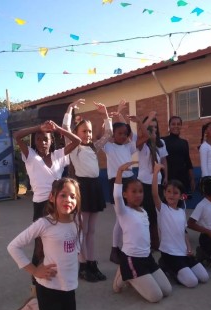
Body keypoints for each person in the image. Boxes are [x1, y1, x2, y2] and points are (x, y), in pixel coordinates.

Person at [13, 120, 81, 289]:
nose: (42, 142)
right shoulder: (30, 156)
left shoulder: (59, 155)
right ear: (34, 142)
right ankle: (36, 283)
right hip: (41, 206)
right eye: (38, 139)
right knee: (39, 245)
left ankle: (58, 276)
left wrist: (58, 129)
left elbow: (77, 141)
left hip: (59, 203)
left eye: (46, 139)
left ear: (51, 141)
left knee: (57, 242)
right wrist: (39, 128)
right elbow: (17, 136)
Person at [7, 178, 82, 310]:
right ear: (52, 197)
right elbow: (13, 246)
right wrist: (34, 271)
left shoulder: (77, 221)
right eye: (63, 195)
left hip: (69, 288)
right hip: (49, 289)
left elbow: (77, 247)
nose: (68, 200)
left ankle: (32, 308)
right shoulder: (44, 223)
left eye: (73, 196)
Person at [63, 99, 111, 282]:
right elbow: (65, 130)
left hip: (95, 187)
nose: (88, 134)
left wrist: (105, 114)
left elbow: (108, 133)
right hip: (81, 188)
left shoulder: (93, 147)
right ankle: (81, 265)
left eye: (90, 131)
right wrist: (69, 109)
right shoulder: (74, 147)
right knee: (81, 230)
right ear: (76, 133)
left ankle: (91, 263)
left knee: (91, 230)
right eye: (84, 131)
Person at [112, 161, 172, 302]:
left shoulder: (143, 211)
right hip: (132, 259)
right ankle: (123, 272)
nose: (138, 195)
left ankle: (131, 274)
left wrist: (156, 172)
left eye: (140, 191)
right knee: (156, 297)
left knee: (167, 291)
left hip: (147, 257)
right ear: (125, 194)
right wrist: (120, 171)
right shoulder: (123, 211)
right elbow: (117, 196)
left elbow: (153, 192)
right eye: (134, 192)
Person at [103, 100, 148, 264]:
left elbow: (146, 136)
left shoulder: (128, 147)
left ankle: (128, 246)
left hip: (131, 179)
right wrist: (108, 116)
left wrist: (139, 123)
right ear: (113, 134)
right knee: (120, 218)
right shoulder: (108, 146)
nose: (123, 136)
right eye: (119, 133)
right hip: (116, 181)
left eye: (125, 133)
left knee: (129, 216)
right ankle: (115, 249)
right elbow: (104, 135)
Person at [152, 162, 209, 288]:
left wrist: (189, 249)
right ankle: (167, 266)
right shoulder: (162, 209)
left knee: (204, 277)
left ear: (182, 196)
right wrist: (156, 172)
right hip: (170, 254)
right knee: (192, 282)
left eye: (175, 193)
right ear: (165, 193)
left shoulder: (181, 211)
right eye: (169, 191)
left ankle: (183, 268)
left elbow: (184, 232)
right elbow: (155, 194)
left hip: (183, 252)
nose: (171, 195)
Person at [137, 111, 168, 250]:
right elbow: (142, 132)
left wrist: (166, 175)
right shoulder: (142, 145)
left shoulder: (161, 144)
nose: (153, 130)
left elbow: (164, 160)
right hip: (145, 183)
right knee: (148, 213)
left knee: (158, 212)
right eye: (150, 128)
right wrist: (147, 119)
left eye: (155, 127)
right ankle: (150, 242)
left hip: (159, 181)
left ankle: (158, 241)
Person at [162, 116, 195, 195]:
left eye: (178, 124)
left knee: (181, 202)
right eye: (173, 124)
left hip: (183, 178)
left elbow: (188, 161)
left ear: (181, 126)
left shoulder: (184, 142)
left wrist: (192, 179)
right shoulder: (163, 141)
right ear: (169, 126)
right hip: (168, 178)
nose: (176, 126)